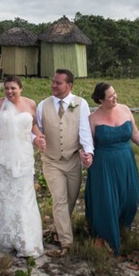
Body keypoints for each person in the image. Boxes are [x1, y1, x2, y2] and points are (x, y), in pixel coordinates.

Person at [0, 76, 45, 258]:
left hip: (24, 156)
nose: (9, 92)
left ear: (21, 88)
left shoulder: (31, 104)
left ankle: (24, 238)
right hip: (3, 155)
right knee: (1, 192)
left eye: (13, 88)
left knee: (24, 195)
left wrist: (39, 138)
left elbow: (33, 125)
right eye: (6, 88)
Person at [36, 69, 94, 257]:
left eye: (58, 83)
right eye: (53, 82)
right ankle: (66, 242)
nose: (53, 85)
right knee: (59, 199)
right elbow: (36, 130)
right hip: (51, 160)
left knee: (70, 199)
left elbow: (84, 130)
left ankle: (55, 230)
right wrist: (36, 139)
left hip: (72, 160)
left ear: (69, 85)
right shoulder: (42, 105)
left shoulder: (81, 104)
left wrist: (88, 152)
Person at [84, 82, 139, 255]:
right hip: (103, 164)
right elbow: (87, 144)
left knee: (131, 197)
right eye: (110, 96)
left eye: (115, 94)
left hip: (126, 160)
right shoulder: (93, 118)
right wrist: (86, 156)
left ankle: (122, 227)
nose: (114, 98)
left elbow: (135, 133)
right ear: (100, 100)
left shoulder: (125, 109)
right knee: (107, 201)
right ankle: (106, 237)